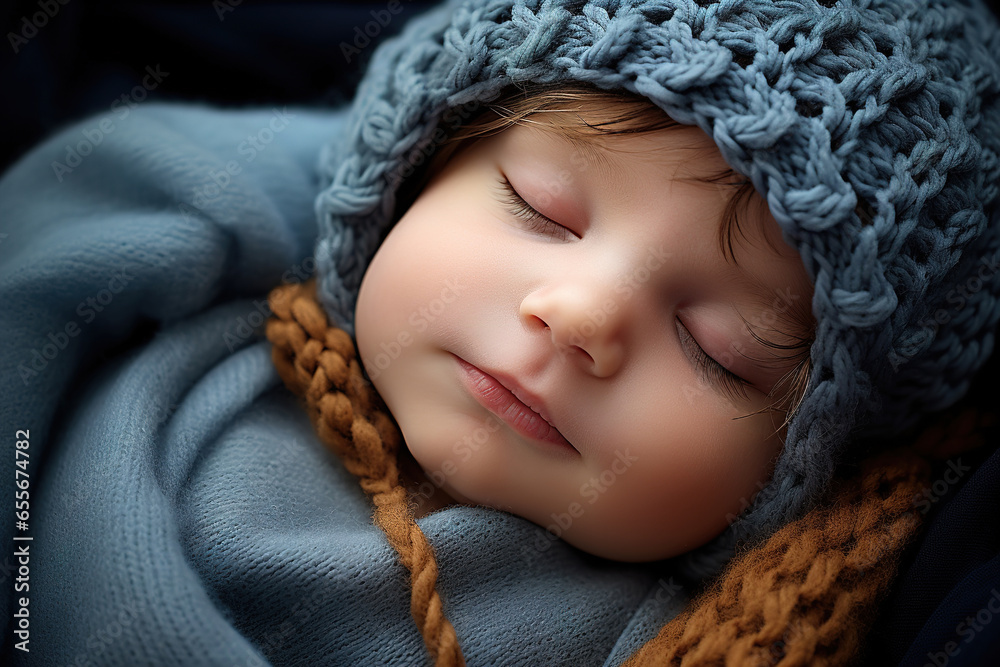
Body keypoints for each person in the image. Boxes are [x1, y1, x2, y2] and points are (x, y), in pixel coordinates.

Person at [2, 0, 998, 665]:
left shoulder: (684, 638)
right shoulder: (197, 266)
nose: (577, 318)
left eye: (717, 348)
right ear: (408, 172)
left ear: (799, 467)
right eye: (541, 208)